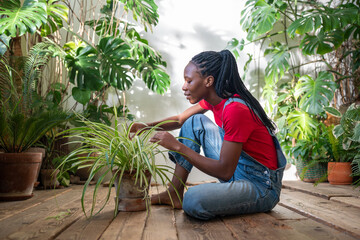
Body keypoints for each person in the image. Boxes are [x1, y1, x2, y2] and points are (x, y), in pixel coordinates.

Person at [130, 49, 286, 220]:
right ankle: (174, 193)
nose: (184, 87)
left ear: (208, 81)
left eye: (189, 81)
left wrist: (176, 146)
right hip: (238, 169)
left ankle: (189, 196)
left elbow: (225, 171)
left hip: (260, 186)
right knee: (193, 122)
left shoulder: (235, 109)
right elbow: (180, 120)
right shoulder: (215, 100)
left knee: (193, 200)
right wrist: (145, 127)